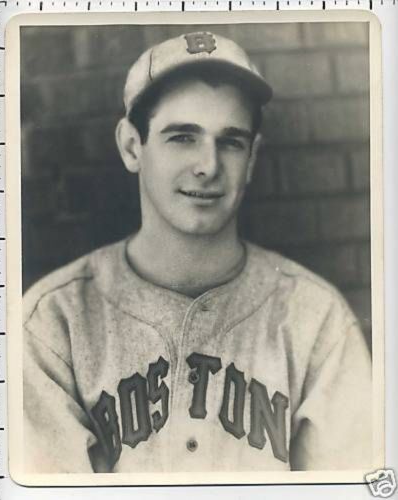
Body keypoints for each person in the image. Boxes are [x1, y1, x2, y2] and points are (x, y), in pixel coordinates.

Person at [23, 31, 372, 474]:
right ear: (132, 146)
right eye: (182, 137)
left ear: (252, 158)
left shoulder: (316, 319)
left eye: (231, 141)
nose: (208, 165)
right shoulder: (53, 322)